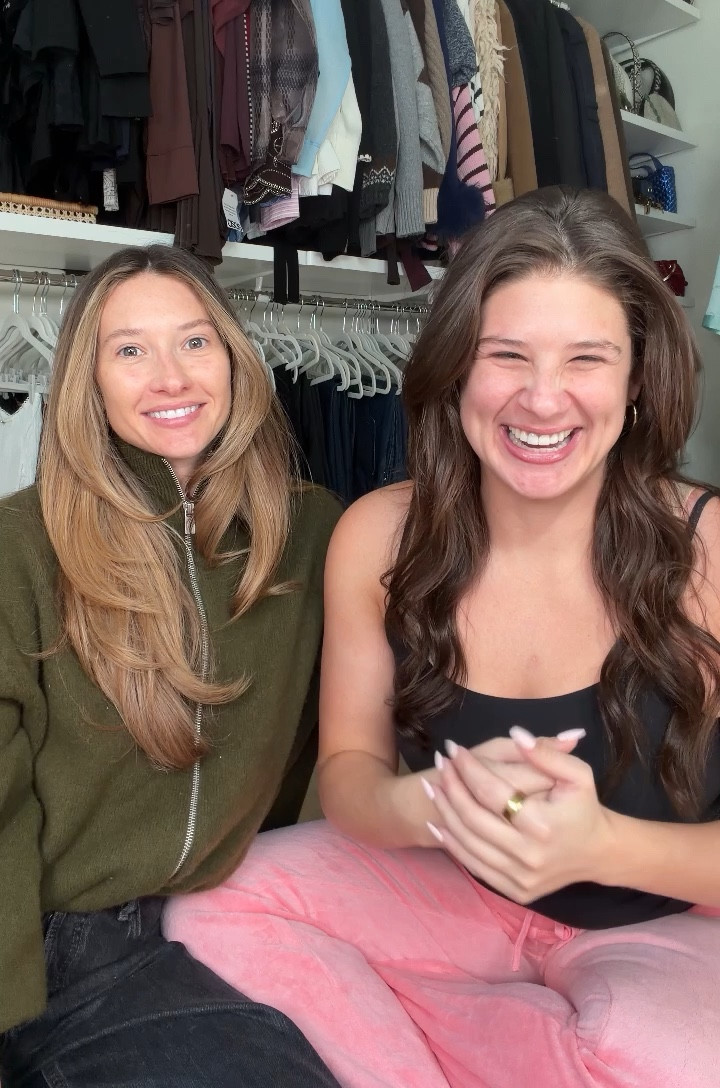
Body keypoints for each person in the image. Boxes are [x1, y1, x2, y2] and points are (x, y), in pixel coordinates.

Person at [166, 188, 720, 1088]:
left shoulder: (709, 550)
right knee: (211, 912)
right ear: (458, 367)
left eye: (587, 358)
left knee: (662, 1060)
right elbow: (350, 773)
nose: (543, 398)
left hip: (660, 923)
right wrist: (432, 804)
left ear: (636, 380)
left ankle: (461, 1029)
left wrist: (597, 845)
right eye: (507, 355)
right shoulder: (380, 536)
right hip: (457, 892)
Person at [0, 244, 342, 1088]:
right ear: (88, 380)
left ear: (233, 357)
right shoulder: (19, 546)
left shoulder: (309, 531)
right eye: (130, 350)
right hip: (61, 945)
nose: (171, 378)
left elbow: (339, 732)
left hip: (235, 906)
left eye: (194, 341)